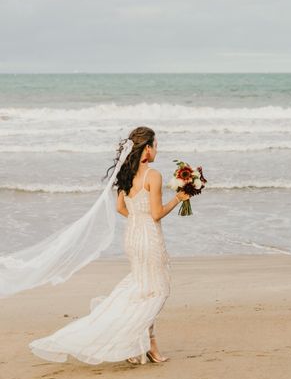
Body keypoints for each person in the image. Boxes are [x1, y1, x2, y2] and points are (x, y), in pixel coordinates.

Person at [29, 126, 190, 364]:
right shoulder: (152, 175)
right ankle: (147, 344)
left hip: (132, 236)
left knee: (143, 290)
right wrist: (179, 198)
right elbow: (156, 214)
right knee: (158, 290)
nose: (157, 150)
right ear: (146, 148)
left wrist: (137, 219)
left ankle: (140, 347)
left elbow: (120, 208)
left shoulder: (125, 174)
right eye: (155, 145)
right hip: (148, 238)